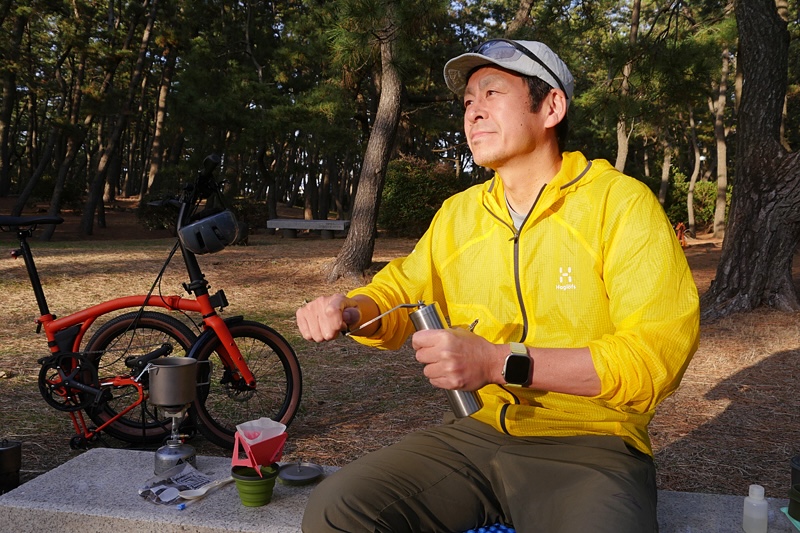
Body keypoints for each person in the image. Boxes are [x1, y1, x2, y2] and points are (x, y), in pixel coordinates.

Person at [296, 39, 700, 533]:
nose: (473, 112)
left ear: (551, 107)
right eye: (468, 101)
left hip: (593, 443)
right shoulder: (460, 214)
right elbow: (401, 291)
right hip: (474, 434)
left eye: (492, 93)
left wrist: (497, 361)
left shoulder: (620, 205)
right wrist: (353, 310)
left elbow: (653, 359)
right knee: (338, 509)